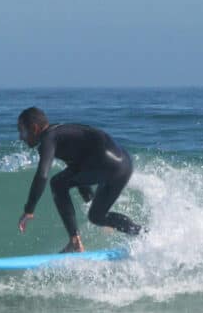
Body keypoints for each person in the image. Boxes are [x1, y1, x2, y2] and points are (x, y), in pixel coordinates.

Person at [17, 107, 142, 253]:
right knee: (97, 216)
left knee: (57, 183)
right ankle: (144, 235)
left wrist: (29, 210)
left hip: (105, 165)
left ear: (34, 128)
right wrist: (98, 211)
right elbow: (78, 172)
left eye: (22, 131)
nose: (21, 137)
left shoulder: (48, 138)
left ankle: (75, 242)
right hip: (124, 165)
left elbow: (42, 174)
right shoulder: (63, 133)